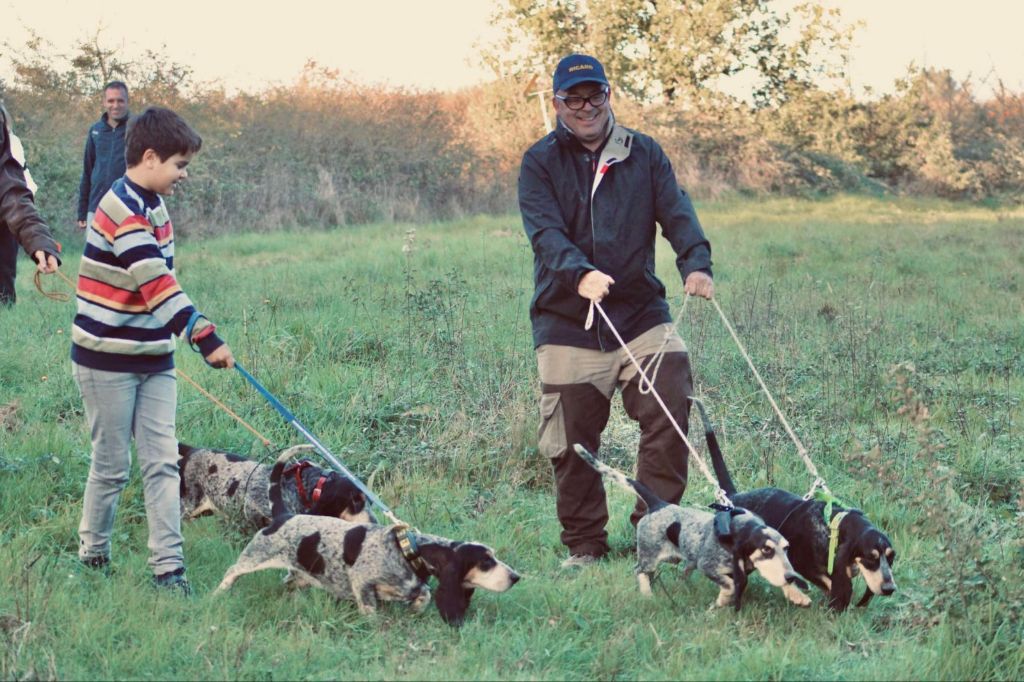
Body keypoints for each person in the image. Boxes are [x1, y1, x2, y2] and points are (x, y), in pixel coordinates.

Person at [518, 54, 715, 568]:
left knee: (672, 403)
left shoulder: (644, 153)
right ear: (558, 103)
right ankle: (585, 546)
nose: (586, 107)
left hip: (640, 315)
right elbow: (544, 233)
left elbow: (676, 209)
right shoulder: (540, 161)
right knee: (571, 441)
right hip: (567, 320)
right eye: (573, 98)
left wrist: (696, 262)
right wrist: (578, 273)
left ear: (610, 94)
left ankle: (658, 529)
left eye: (595, 95)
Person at [72, 106, 234, 595]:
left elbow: (163, 285)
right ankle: (93, 555)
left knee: (163, 462)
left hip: (154, 360)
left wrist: (179, 335)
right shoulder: (118, 207)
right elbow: (156, 282)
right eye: (179, 165)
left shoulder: (155, 206)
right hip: (106, 361)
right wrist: (203, 335)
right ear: (149, 156)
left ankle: (169, 570)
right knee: (112, 465)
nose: (183, 175)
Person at [0, 100, 61, 305]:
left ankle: (6, 305)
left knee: (4, 271)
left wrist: (39, 242)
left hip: (6, 220)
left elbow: (14, 197)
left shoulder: (10, 144)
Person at [78, 81, 130, 230]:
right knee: (95, 253)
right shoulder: (95, 130)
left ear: (127, 102)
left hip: (127, 205)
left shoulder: (136, 128)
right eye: (111, 101)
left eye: (120, 100)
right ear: (104, 102)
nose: (115, 105)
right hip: (97, 206)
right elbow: (88, 171)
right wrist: (83, 211)